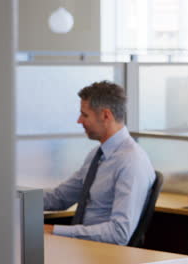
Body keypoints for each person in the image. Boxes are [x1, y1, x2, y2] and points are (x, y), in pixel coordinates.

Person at [43, 81, 155, 245]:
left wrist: (54, 231)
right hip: (83, 248)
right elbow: (60, 198)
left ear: (105, 116)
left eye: (85, 115)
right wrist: (12, 201)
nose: (79, 121)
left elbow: (119, 233)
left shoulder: (131, 162)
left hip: (104, 254)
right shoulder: (97, 155)